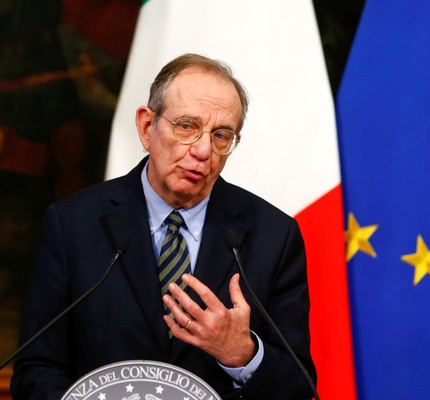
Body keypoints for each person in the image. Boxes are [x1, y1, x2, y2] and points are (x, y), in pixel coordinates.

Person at [10, 53, 316, 400]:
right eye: (187, 126)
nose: (203, 150)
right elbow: (36, 370)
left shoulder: (272, 236)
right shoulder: (74, 224)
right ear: (146, 127)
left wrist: (242, 355)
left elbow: (299, 385)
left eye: (221, 135)